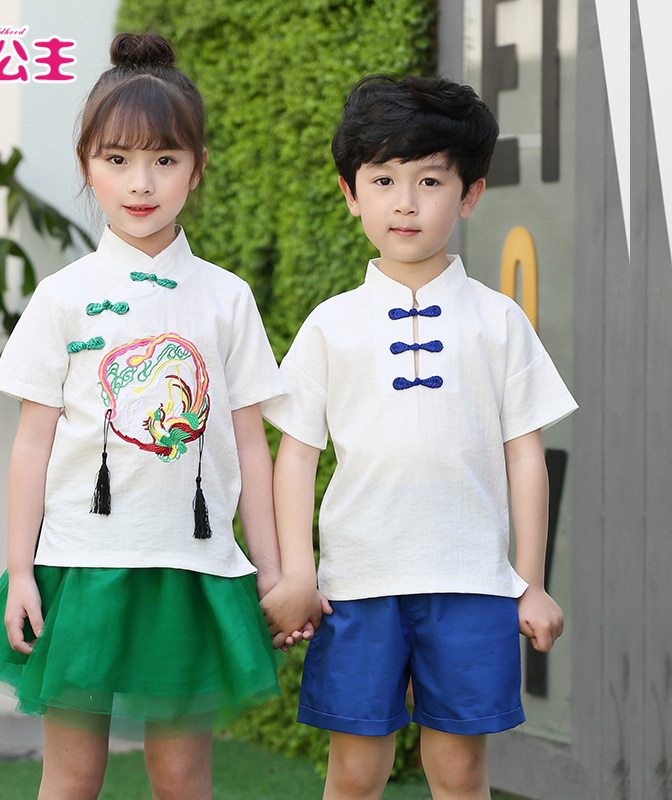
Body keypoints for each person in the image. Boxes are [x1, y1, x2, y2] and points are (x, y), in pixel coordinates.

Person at [0, 32, 284, 800]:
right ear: (87, 166)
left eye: (165, 159)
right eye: (117, 159)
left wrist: (274, 570)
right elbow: (31, 444)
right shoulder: (63, 296)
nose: (141, 183)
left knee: (182, 778)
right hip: (82, 570)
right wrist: (20, 571)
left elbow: (251, 442)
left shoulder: (227, 297)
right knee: (73, 778)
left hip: (191, 571)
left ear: (197, 168)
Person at [260, 74, 578, 800]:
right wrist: (298, 573)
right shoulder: (329, 324)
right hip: (356, 586)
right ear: (351, 193)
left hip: (473, 584)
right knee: (354, 772)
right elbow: (296, 457)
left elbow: (526, 457)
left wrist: (530, 583)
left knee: (459, 772)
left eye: (430, 180)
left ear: (469, 195)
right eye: (383, 180)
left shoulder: (499, 321)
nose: (405, 202)